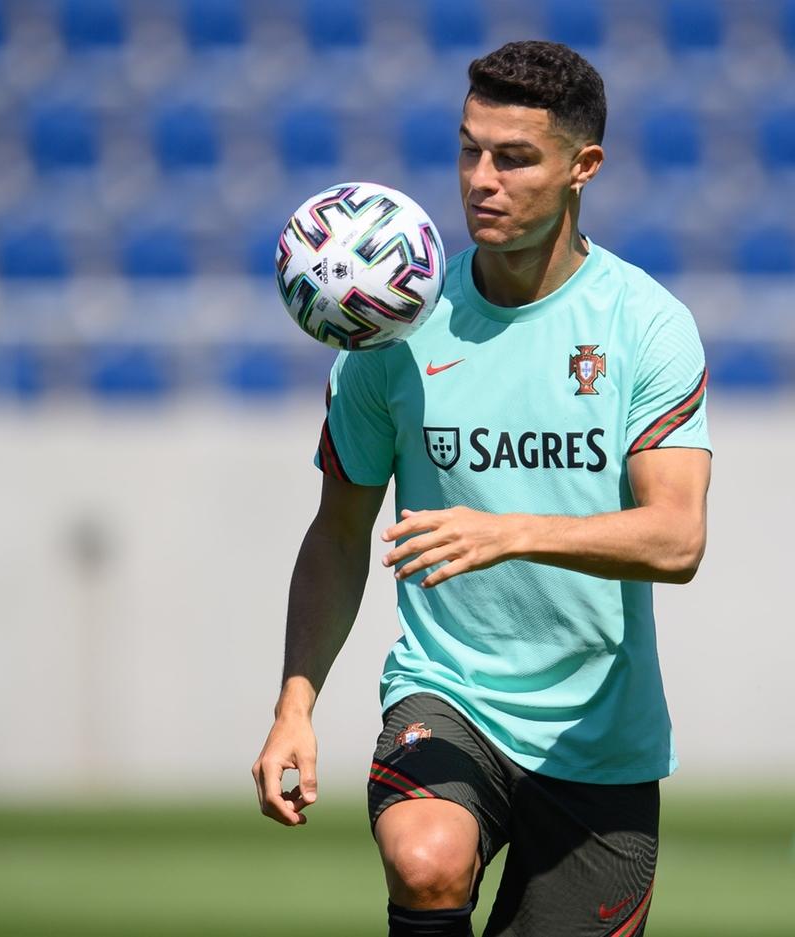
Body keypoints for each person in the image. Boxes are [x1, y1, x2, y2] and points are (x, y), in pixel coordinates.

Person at [251, 40, 711, 937]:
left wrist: (511, 531)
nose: (481, 181)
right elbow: (338, 533)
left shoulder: (646, 325)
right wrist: (294, 704)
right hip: (447, 691)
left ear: (583, 166)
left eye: (514, 158)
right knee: (426, 859)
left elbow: (677, 537)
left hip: (600, 736)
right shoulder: (392, 330)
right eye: (469, 150)